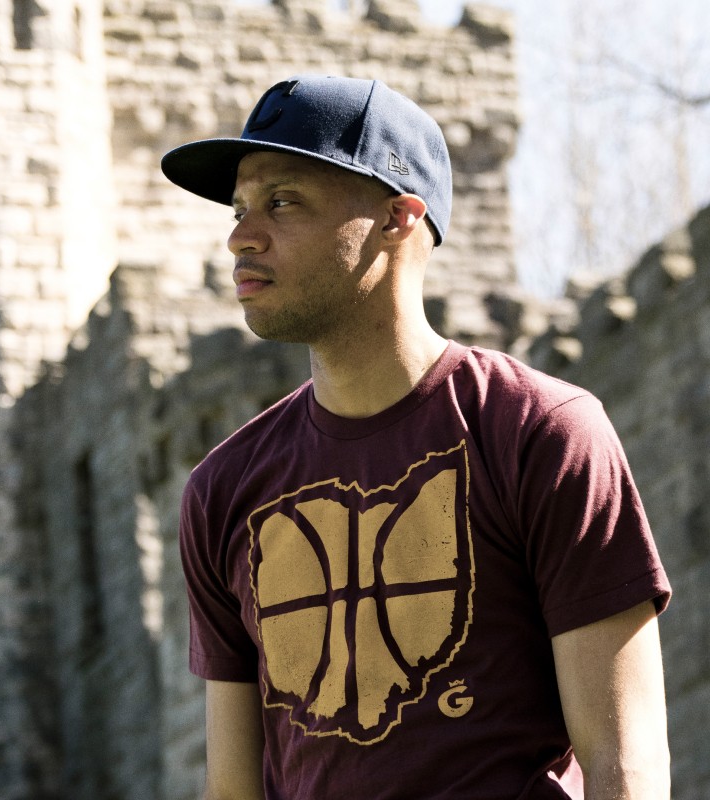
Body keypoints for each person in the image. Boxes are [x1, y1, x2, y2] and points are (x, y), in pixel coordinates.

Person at [161, 75, 672, 800]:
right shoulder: (223, 490)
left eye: (283, 201)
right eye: (240, 208)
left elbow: (626, 762)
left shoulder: (539, 431)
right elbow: (232, 789)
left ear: (398, 219)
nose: (240, 236)